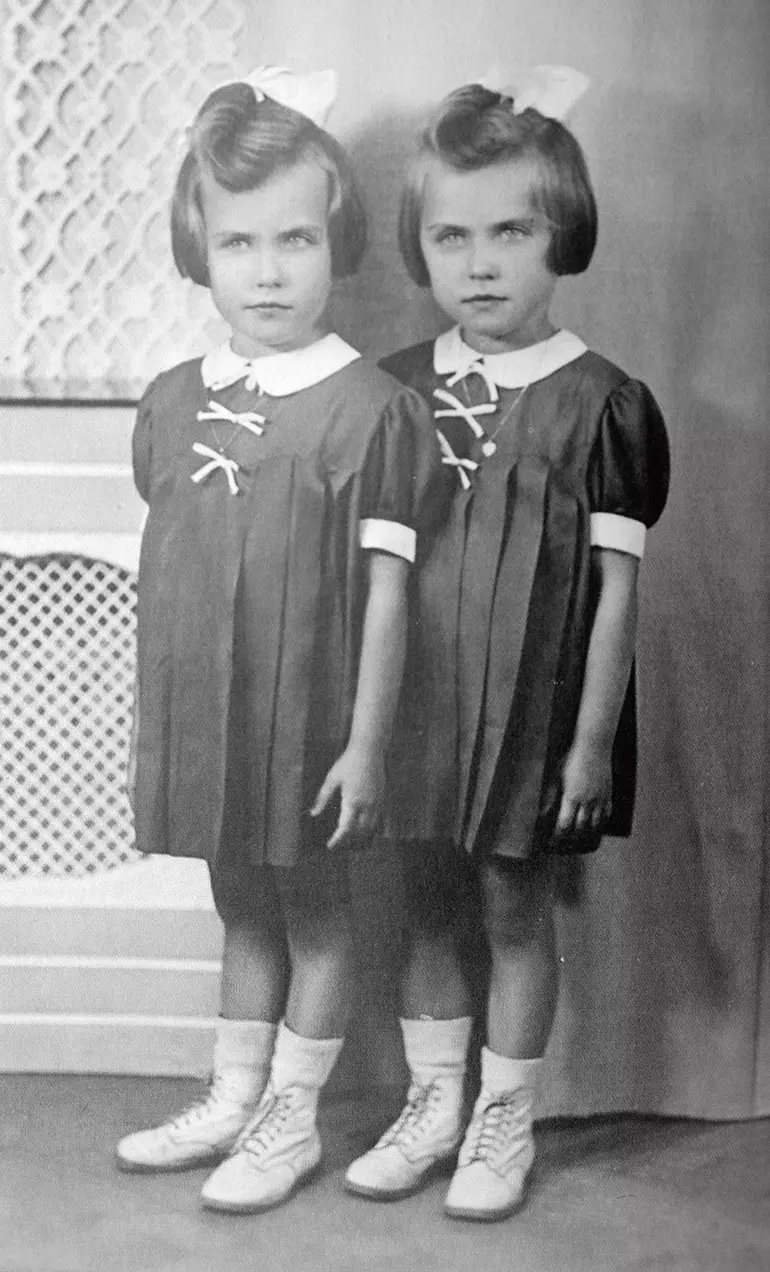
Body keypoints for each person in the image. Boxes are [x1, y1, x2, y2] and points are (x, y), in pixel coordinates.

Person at [345, 67, 670, 1222]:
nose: (479, 264)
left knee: (512, 907)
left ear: (559, 236)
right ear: (420, 249)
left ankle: (503, 1119)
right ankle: (433, 1102)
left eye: (509, 232)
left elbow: (614, 593)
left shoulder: (602, 404)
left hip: (533, 715)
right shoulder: (392, 393)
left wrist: (586, 745)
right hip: (418, 707)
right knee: (427, 903)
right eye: (451, 236)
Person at [115, 66, 439, 1215]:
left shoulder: (371, 410)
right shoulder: (171, 400)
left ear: (333, 242)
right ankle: (236, 1095)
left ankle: (292, 1119)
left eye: (293, 240)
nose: (265, 271)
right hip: (213, 716)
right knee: (239, 901)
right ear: (197, 245)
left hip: (311, 720)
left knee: (314, 911)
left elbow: (389, 596)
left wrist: (364, 744)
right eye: (239, 241)